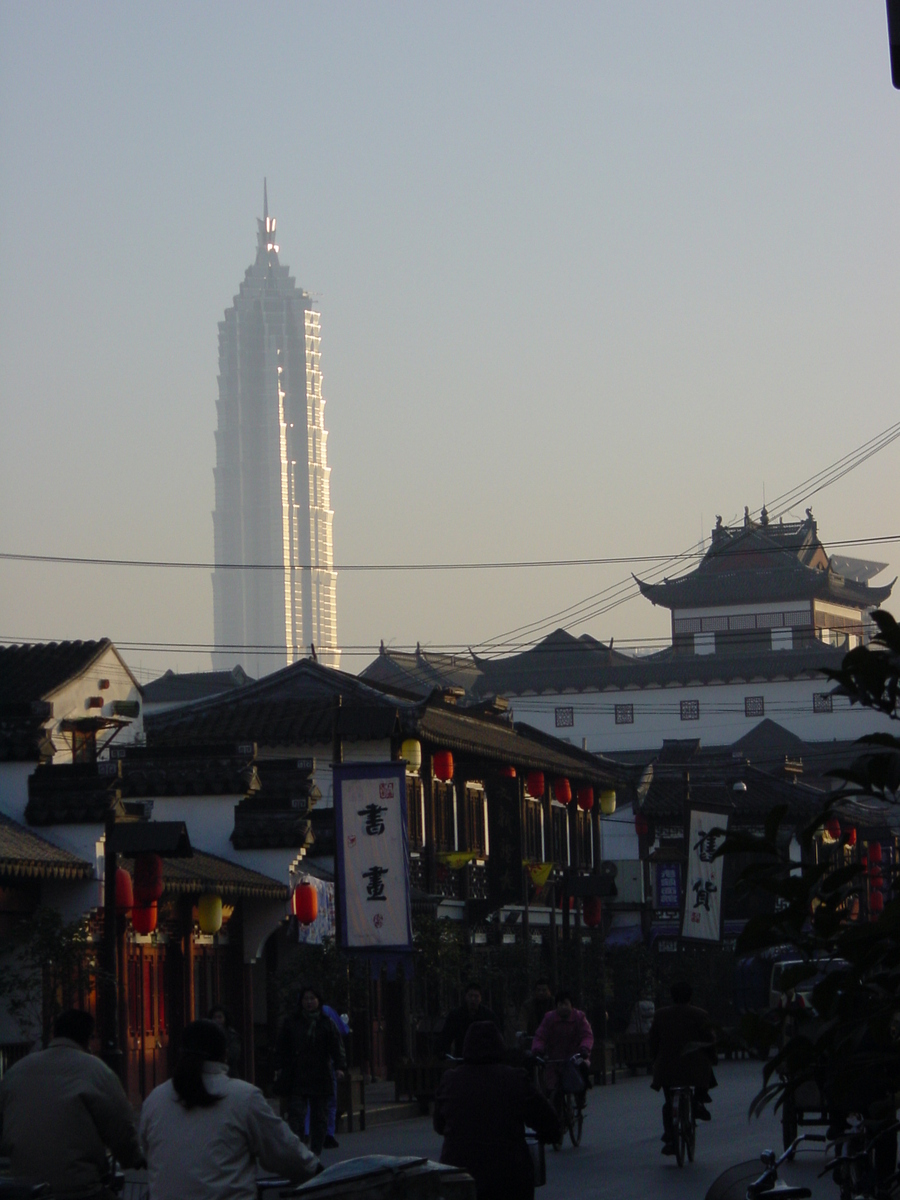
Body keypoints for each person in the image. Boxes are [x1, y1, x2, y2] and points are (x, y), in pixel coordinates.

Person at [139, 1019, 319, 1200]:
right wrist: (313, 1167)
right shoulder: (243, 1097)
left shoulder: (156, 1099)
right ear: (224, 1055)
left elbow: (146, 1151)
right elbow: (283, 1151)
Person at [0, 1008, 142, 1199]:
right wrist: (132, 1157)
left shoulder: (16, 1071)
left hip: (23, 1186)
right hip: (78, 1188)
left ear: (55, 1033)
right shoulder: (95, 1070)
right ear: (88, 1038)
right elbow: (120, 1125)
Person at [434, 1021, 559, 1200]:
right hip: (507, 1176)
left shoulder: (450, 1080)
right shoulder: (515, 1079)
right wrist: (550, 1134)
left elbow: (439, 1125)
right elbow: (548, 1120)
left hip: (457, 1176)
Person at [274, 983, 347, 1155]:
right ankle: (299, 1150)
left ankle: (315, 1151)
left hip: (320, 1074)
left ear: (318, 1001)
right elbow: (282, 1047)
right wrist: (279, 1067)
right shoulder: (291, 1022)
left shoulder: (326, 1023)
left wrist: (340, 1066)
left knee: (319, 1116)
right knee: (296, 1115)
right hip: (297, 1074)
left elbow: (337, 1047)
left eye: (312, 999)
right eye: (306, 999)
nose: (309, 1002)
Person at [649, 981, 717, 1156]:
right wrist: (713, 1058)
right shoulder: (700, 1015)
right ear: (690, 997)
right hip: (695, 1069)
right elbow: (709, 1041)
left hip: (666, 1069)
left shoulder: (660, 1015)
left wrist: (655, 1061)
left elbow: (653, 1042)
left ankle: (671, 1138)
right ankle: (698, 1101)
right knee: (705, 1065)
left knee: (669, 1103)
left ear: (672, 996)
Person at [531, 989, 594, 1097]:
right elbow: (540, 1036)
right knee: (550, 1088)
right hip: (554, 1059)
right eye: (560, 1004)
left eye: (566, 1004)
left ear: (571, 1005)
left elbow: (587, 1035)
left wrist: (584, 1049)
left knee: (580, 1079)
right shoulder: (549, 1018)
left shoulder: (579, 1017)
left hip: (576, 1056)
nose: (563, 1007)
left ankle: (580, 1100)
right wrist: (537, 1050)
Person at [303, 1004, 349, 1149]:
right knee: (325, 1101)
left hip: (321, 1065)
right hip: (316, 1065)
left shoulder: (324, 1019)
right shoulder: (328, 1013)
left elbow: (337, 1042)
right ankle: (325, 1134)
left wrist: (339, 1066)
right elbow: (342, 1032)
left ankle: (314, 1133)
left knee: (320, 1101)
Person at [439, 981, 503, 1059]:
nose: (473, 999)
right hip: (462, 1059)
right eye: (470, 996)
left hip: (483, 1060)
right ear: (466, 997)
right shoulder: (455, 1015)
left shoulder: (489, 1016)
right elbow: (446, 1037)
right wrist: (444, 1053)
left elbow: (497, 1038)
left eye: (476, 996)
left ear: (480, 998)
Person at [208, 1004, 242, 1078]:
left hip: (228, 1073)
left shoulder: (232, 1035)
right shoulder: (208, 1034)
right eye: (214, 1017)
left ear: (225, 1019)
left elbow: (233, 1055)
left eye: (219, 1017)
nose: (217, 1020)